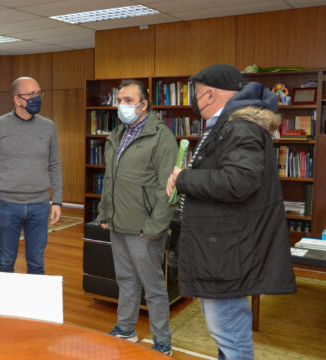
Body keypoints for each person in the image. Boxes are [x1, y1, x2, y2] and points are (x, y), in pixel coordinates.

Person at [166, 64, 296, 359]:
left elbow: (238, 181)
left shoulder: (239, 127)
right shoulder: (231, 125)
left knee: (229, 332)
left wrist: (183, 179)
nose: (195, 101)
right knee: (226, 332)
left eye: (196, 94)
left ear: (209, 94)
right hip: (221, 247)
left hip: (225, 250)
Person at [96, 79, 178, 355]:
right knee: (126, 280)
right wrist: (105, 213)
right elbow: (111, 179)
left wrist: (155, 226)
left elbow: (168, 187)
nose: (122, 105)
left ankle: (163, 340)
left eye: (129, 100)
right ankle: (126, 328)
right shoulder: (118, 134)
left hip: (144, 226)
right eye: (120, 99)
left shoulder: (161, 136)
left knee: (153, 287)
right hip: (118, 222)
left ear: (144, 105)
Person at [0, 76, 62, 275]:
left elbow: (55, 164)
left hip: (40, 205)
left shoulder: (49, 126)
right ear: (17, 99)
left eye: (39, 93)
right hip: (7, 205)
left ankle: (34, 306)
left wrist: (58, 200)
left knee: (36, 262)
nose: (37, 98)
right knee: (6, 261)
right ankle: (4, 306)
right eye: (31, 94)